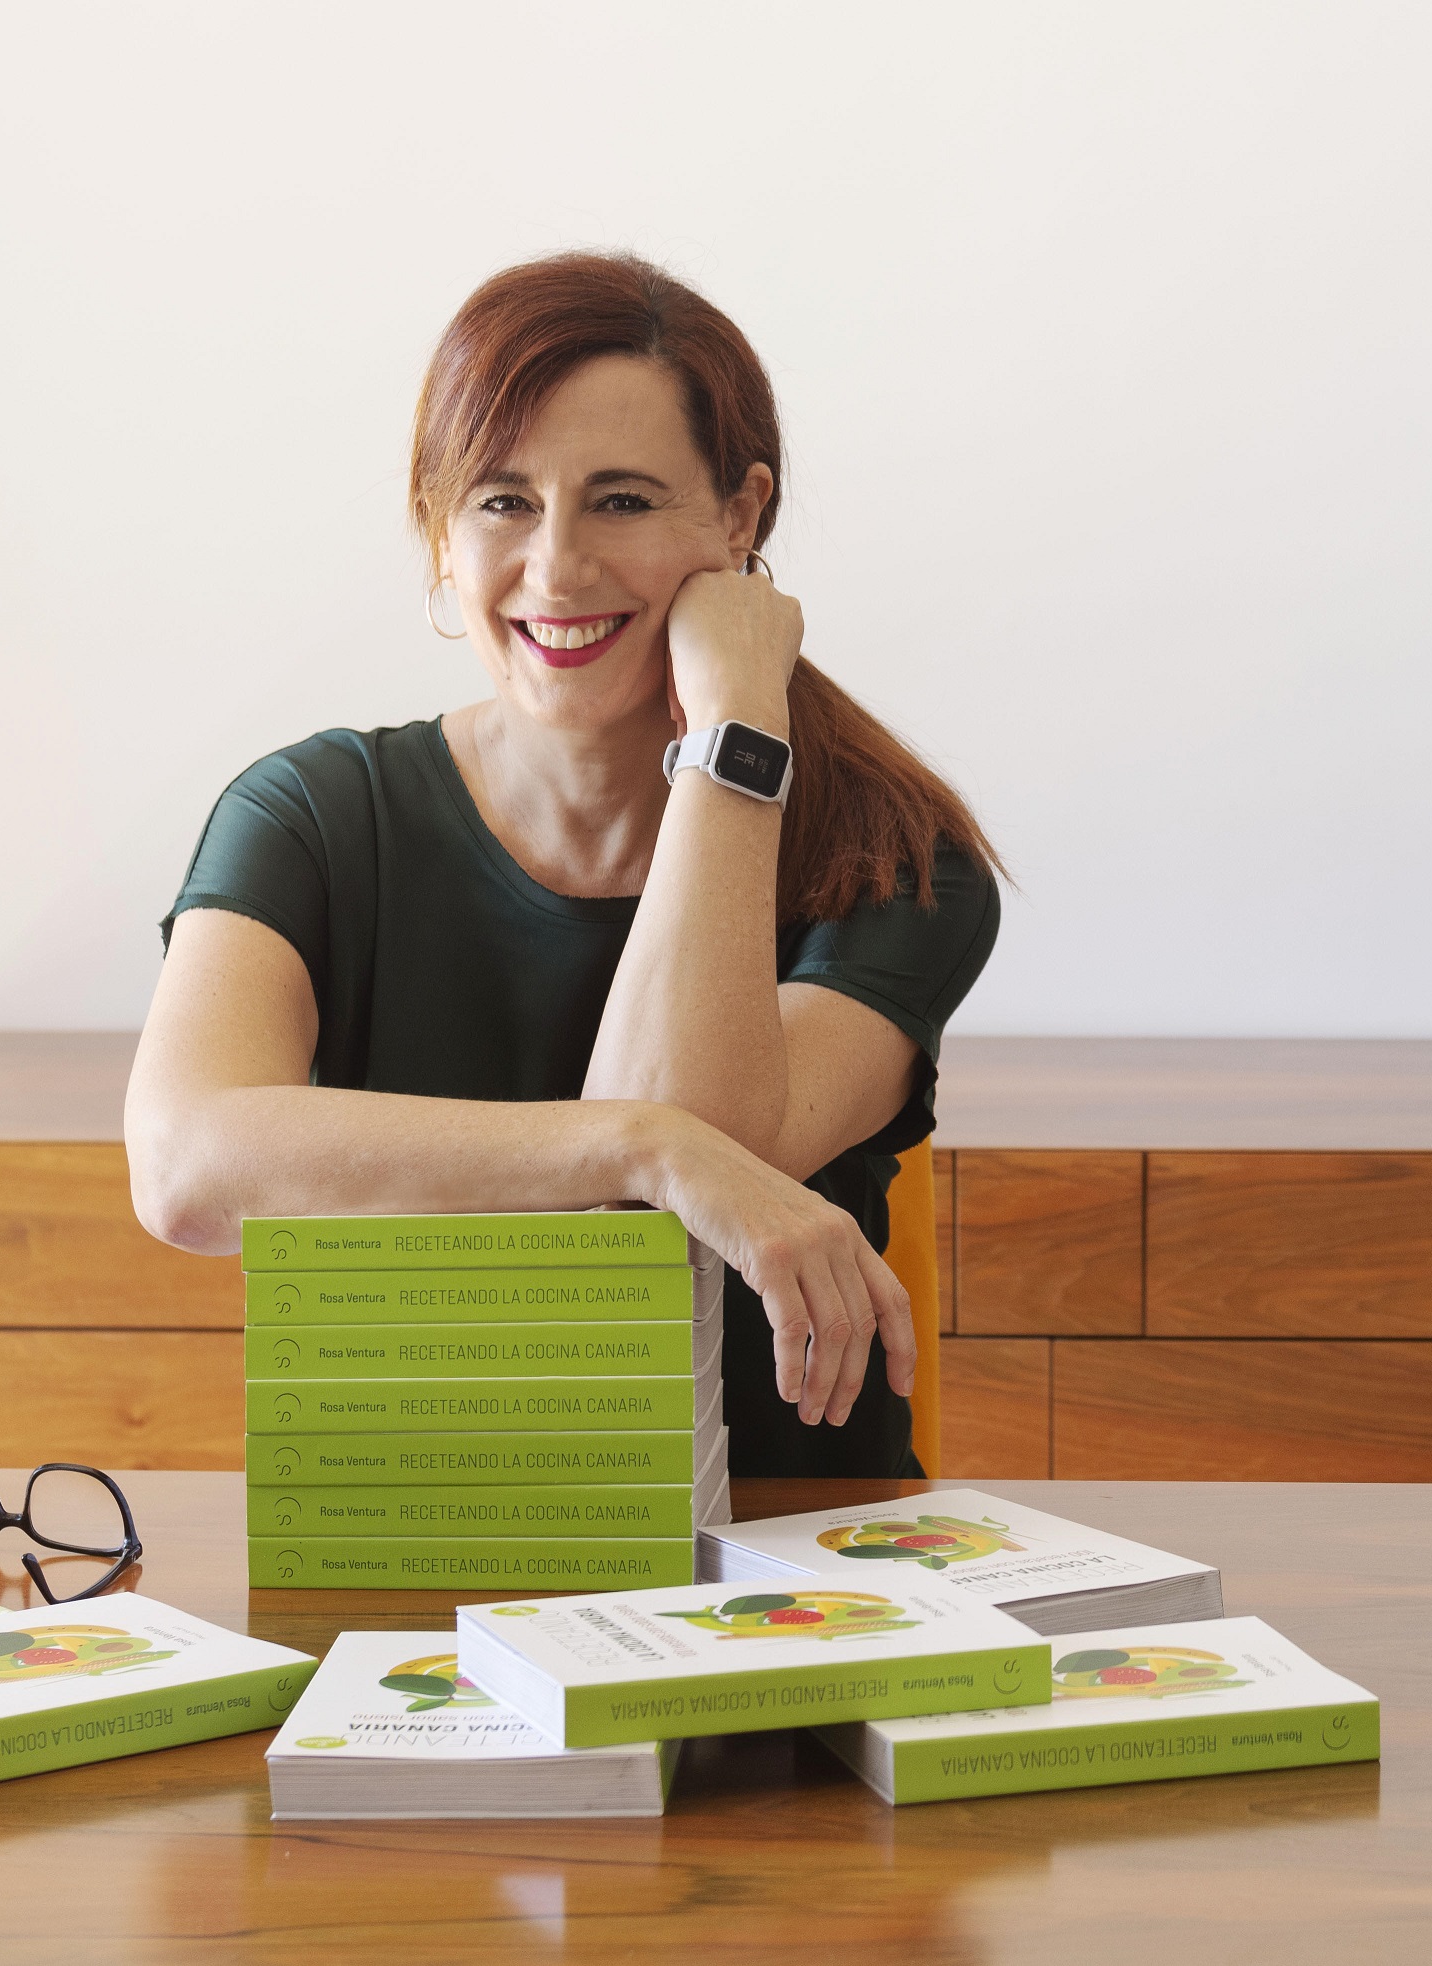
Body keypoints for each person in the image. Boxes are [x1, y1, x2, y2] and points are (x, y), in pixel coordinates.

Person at [125, 252, 1002, 1477]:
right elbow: (184, 1171)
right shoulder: (313, 818)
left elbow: (645, 1215)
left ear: (741, 518)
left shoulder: (892, 856)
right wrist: (642, 1145)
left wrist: (737, 733)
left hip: (792, 1561)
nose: (555, 567)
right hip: (417, 1530)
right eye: (502, 500)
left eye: (625, 500)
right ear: (441, 528)